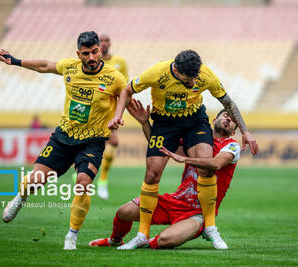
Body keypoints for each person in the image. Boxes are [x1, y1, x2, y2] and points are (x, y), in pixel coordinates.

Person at [108, 49, 258, 249]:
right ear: (176, 71)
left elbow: (228, 102)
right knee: (152, 175)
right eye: (189, 80)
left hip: (194, 121)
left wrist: (245, 132)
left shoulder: (206, 75)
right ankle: (142, 235)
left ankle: (210, 227)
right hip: (164, 123)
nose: (194, 83)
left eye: (196, 78)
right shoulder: (157, 73)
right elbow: (127, 90)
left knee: (205, 166)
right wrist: (119, 116)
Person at [0, 31, 127, 250]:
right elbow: (45, 65)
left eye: (95, 52)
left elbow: (124, 93)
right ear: (79, 54)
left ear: (100, 50)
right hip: (63, 138)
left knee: (83, 183)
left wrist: (117, 117)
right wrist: (16, 61)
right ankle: (20, 198)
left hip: (92, 140)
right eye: (86, 54)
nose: (92, 58)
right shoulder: (70, 67)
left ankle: (72, 235)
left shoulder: (114, 76)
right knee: (34, 180)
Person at [90, 99, 240, 249]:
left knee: (165, 241)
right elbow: (161, 147)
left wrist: (184, 158)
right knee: (123, 212)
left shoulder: (232, 146)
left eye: (233, 121)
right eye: (226, 115)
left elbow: (217, 163)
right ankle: (114, 240)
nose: (228, 119)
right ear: (214, 120)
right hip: (175, 201)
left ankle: (148, 241)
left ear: (234, 131)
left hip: (198, 212)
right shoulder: (194, 140)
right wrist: (144, 123)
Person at [76, 33, 129, 200]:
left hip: (109, 110)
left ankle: (103, 180)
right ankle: (80, 170)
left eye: (107, 40)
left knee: (113, 141)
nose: (105, 43)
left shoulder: (119, 63)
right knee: (80, 142)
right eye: (102, 40)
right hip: (88, 109)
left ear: (109, 44)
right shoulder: (89, 61)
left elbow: (124, 89)